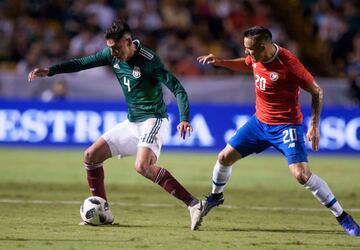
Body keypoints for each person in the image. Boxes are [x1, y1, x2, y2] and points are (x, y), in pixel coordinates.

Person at [28, 19, 203, 230]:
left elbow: (177, 88)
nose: (113, 52)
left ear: (129, 42)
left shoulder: (149, 60)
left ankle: (193, 204)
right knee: (91, 156)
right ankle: (103, 210)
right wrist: (51, 71)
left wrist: (184, 118)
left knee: (142, 166)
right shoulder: (111, 55)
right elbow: (82, 62)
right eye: (110, 48)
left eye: (117, 48)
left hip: (153, 120)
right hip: (131, 123)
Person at [197, 26, 360, 236]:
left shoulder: (288, 64)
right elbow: (246, 64)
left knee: (301, 175)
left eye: (249, 49)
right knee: (224, 157)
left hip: (286, 126)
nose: (247, 52)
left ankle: (342, 216)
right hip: (259, 123)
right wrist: (220, 62)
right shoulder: (256, 56)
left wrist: (314, 125)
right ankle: (215, 196)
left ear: (264, 47)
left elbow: (317, 91)